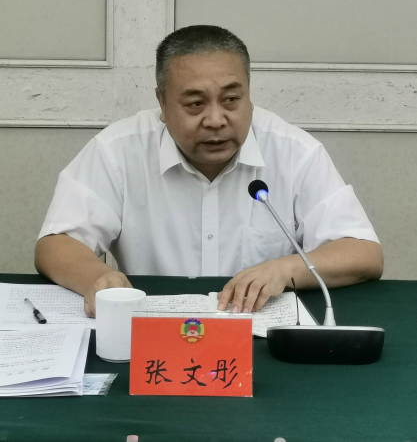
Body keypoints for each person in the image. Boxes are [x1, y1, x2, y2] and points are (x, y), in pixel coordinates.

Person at [35, 25, 383, 318]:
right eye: (195, 104)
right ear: (162, 103)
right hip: (155, 334)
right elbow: (56, 243)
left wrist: (286, 269)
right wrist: (97, 278)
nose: (216, 120)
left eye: (231, 100)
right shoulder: (118, 150)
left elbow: (363, 253)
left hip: (259, 339)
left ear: (248, 95)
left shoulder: (294, 151)